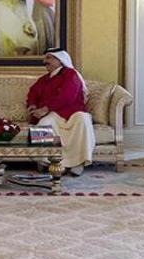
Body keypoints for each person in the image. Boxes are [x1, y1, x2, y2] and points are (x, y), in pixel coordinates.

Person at [26, 48, 95, 176]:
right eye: (45, 58)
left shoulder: (71, 74)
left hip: (73, 112)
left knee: (83, 119)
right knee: (42, 125)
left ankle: (77, 163)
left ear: (60, 60)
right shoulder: (44, 79)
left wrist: (45, 109)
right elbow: (33, 93)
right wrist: (32, 104)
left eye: (49, 58)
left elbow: (67, 96)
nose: (45, 61)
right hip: (54, 114)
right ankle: (47, 161)